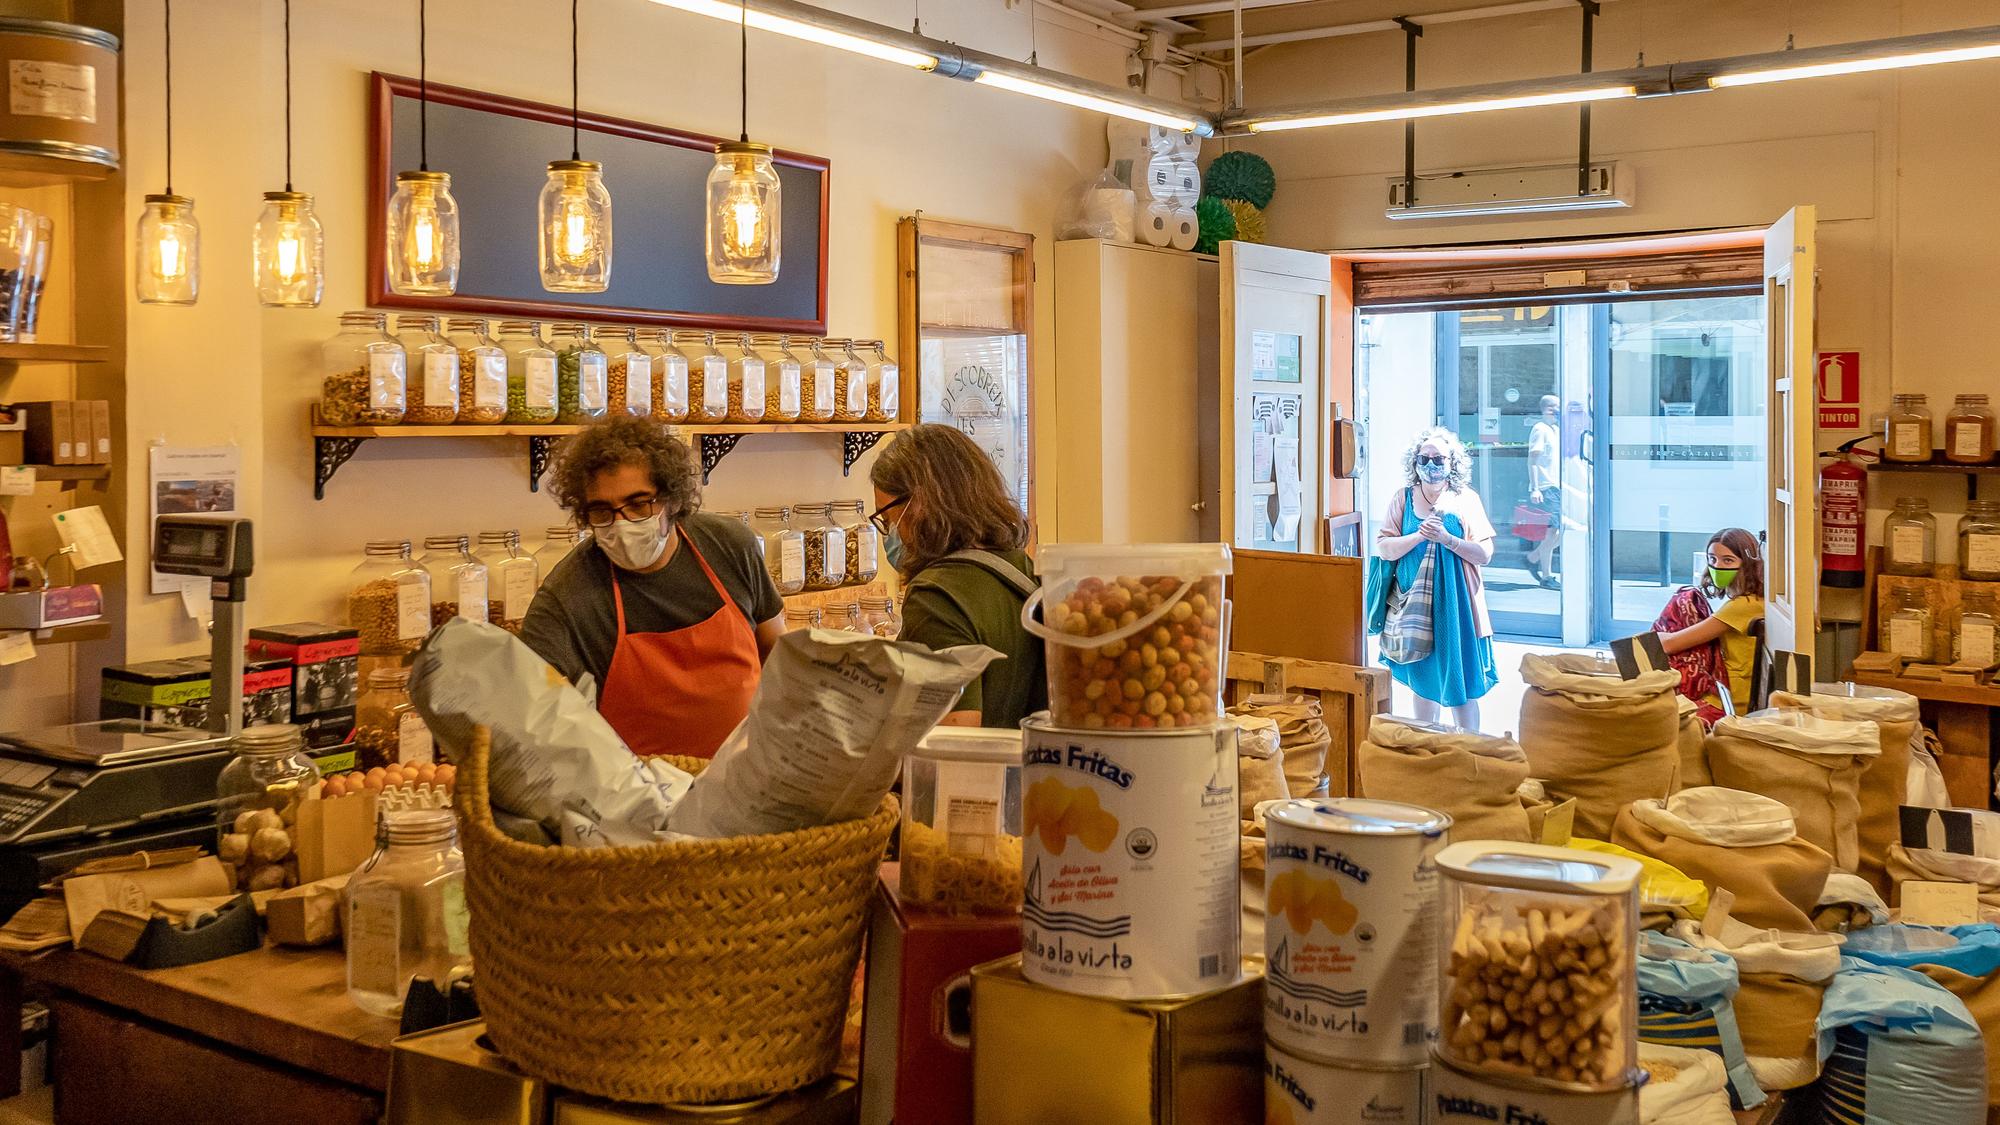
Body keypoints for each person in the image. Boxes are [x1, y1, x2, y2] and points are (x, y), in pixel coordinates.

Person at [522, 416, 784, 758]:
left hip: (750, 774)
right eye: (602, 511)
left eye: (638, 504)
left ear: (671, 500)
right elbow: (530, 716)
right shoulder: (567, 596)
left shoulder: (731, 547)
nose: (622, 523)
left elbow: (778, 652)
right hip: (642, 800)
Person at [870, 424, 1044, 729]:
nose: (891, 532)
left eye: (888, 517)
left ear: (919, 503)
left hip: (980, 776)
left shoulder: (937, 597)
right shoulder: (1024, 570)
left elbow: (954, 744)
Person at [1369, 427, 1499, 729]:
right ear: (1414, 462)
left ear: (1452, 463)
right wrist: (1419, 535)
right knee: (1423, 684)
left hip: (1457, 610)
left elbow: (1485, 553)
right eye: (1424, 458)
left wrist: (1447, 539)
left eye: (1438, 459)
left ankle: (1469, 753)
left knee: (1461, 685)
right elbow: (1385, 548)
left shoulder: (1466, 499)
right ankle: (1426, 750)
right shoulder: (1402, 499)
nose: (1431, 466)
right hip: (1413, 608)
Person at [1657, 528, 1766, 719]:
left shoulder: (1743, 606)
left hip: (1726, 699)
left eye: (1728, 560)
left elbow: (1670, 643)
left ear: (1747, 564)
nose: (1718, 566)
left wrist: (1651, 636)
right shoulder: (1748, 601)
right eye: (1712, 559)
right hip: (1722, 688)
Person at [1523, 395, 1562, 589]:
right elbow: (1533, 460)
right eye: (1555, 407)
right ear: (1547, 408)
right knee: (1551, 533)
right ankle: (1547, 576)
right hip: (1547, 488)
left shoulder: (1555, 430)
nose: (1558, 411)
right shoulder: (1540, 429)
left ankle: (1533, 557)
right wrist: (1536, 488)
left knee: (1563, 532)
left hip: (1558, 486)